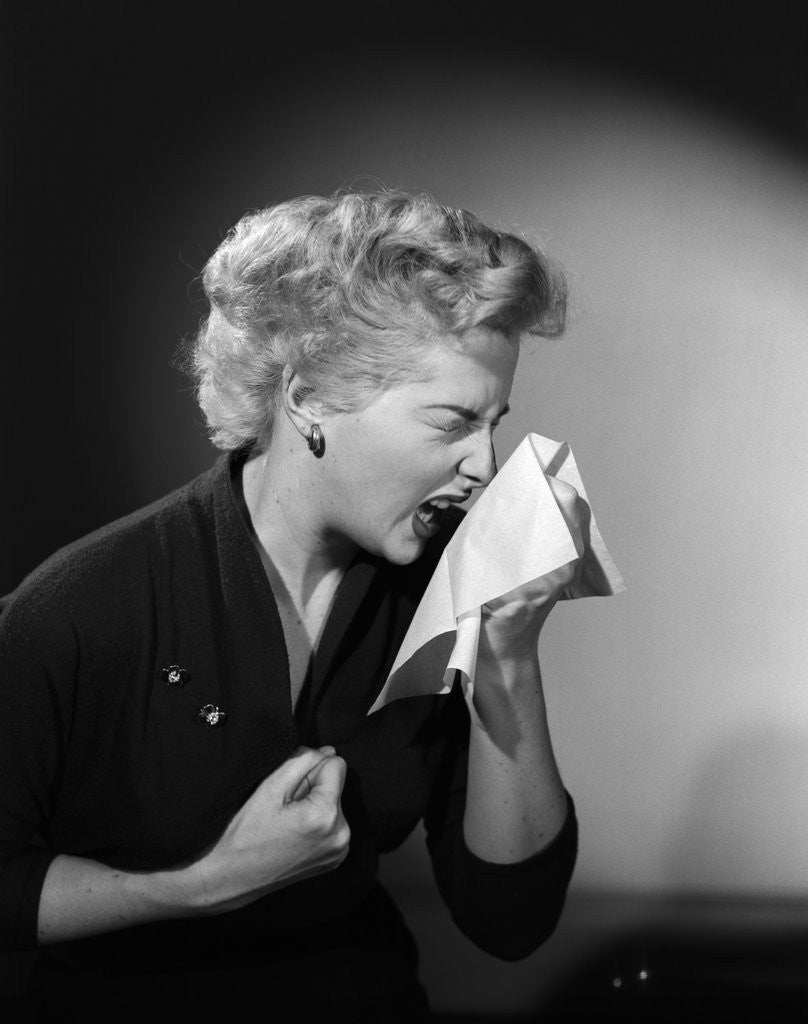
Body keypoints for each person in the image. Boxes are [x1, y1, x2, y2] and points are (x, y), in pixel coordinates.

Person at [0, 189, 583, 1022]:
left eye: (493, 423)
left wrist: (509, 664)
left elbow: (512, 920)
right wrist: (204, 888)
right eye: (453, 422)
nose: (484, 466)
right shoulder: (81, 608)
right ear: (308, 397)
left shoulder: (442, 593)